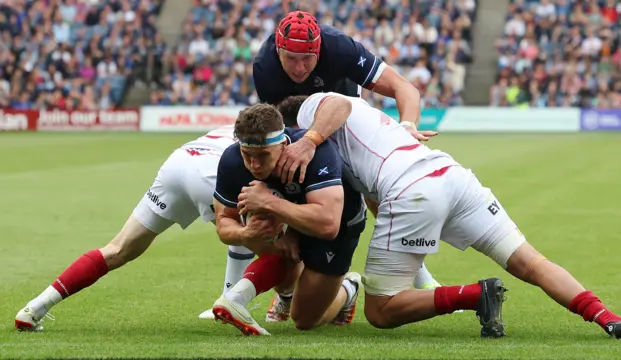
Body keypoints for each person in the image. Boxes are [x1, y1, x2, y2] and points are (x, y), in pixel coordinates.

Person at [274, 92, 621, 339]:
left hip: (411, 188)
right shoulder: (362, 133)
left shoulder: (313, 113)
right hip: (451, 175)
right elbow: (375, 202)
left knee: (381, 311)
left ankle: (473, 295)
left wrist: (308, 138)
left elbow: (336, 101)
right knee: (530, 260)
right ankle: (609, 319)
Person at [214, 10, 440, 320]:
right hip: (297, 126)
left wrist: (409, 125)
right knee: (289, 181)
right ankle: (288, 289)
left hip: (345, 120)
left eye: (308, 58)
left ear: (319, 50)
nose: (300, 67)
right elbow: (277, 135)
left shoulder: (339, 48)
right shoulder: (264, 67)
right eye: (291, 58)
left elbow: (405, 89)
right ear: (278, 50)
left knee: (371, 190)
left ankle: (419, 272)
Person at [15, 126, 241, 332]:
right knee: (249, 235)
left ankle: (34, 308)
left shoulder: (244, 121)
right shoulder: (271, 131)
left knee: (117, 249)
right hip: (210, 169)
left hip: (178, 162)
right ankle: (234, 301)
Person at [209, 103, 366, 335]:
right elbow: (224, 223)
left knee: (305, 320)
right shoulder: (232, 160)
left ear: (283, 145)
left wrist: (270, 204)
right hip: (291, 215)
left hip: (339, 222)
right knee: (258, 230)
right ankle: (286, 292)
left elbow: (328, 224)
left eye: (262, 155)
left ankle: (348, 288)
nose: (254, 164)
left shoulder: (318, 153)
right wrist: (246, 234)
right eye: (247, 155)